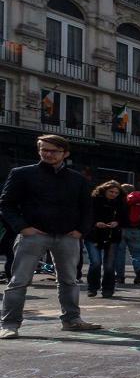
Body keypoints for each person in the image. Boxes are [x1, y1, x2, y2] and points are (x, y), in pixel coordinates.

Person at [0, 134, 102, 339]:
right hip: (32, 235)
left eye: (53, 150)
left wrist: (81, 231)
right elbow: (5, 204)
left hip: (68, 236)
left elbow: (87, 209)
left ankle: (72, 320)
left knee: (69, 281)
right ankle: (9, 324)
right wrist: (22, 227)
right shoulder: (22, 174)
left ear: (65, 153)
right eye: (43, 149)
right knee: (19, 281)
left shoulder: (78, 179)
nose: (48, 153)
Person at [86, 180, 125, 298]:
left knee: (109, 265)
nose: (113, 194)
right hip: (93, 235)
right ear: (104, 190)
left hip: (112, 236)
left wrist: (117, 222)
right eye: (111, 191)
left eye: (116, 193)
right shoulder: (93, 200)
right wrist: (95, 223)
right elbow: (86, 215)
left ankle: (108, 289)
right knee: (95, 263)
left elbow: (125, 218)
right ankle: (92, 288)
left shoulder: (121, 203)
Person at [114, 184, 140, 285]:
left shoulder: (121, 201)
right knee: (137, 252)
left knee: (119, 254)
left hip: (121, 229)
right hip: (137, 230)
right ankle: (139, 269)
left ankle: (120, 277)